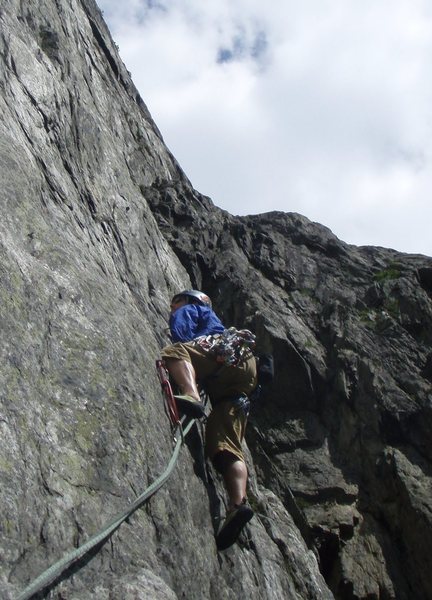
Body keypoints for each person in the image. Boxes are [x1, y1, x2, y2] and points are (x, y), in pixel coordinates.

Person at [160, 289, 257, 550]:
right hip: (244, 371)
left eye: (174, 303)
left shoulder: (192, 309)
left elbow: (183, 337)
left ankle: (191, 395)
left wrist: (190, 376)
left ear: (187, 300)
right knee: (223, 445)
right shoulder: (213, 318)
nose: (173, 308)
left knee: (174, 351)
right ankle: (238, 504)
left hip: (222, 353)